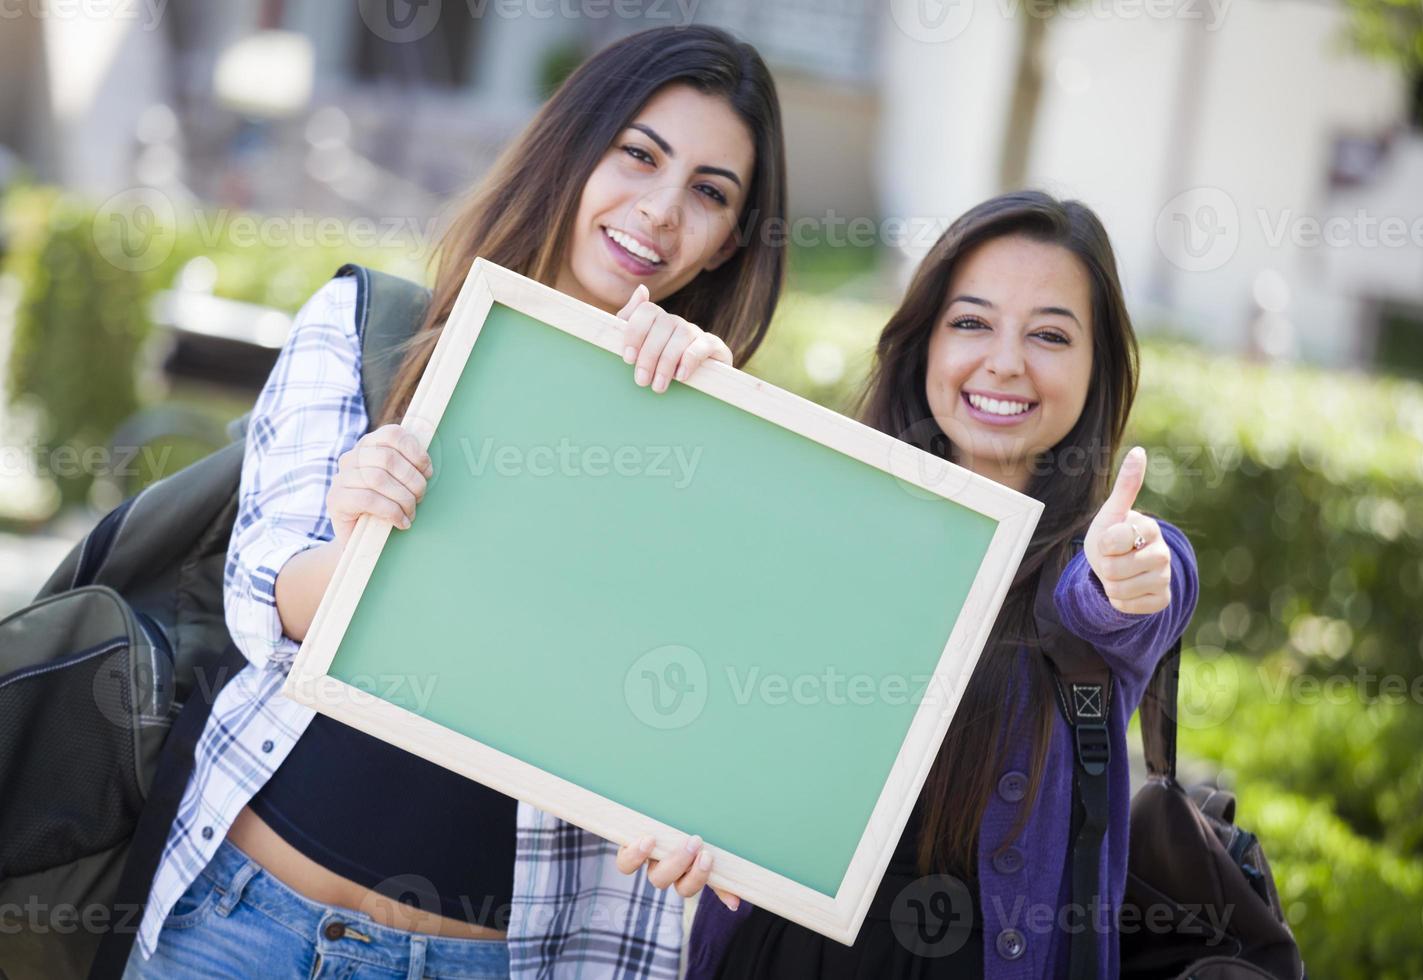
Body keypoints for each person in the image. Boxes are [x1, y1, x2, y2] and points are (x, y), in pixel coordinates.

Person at [123, 24, 786, 979]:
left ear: (730, 243)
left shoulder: (720, 449)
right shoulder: (368, 328)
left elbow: (707, 721)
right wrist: (361, 538)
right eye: (638, 154)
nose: (660, 209)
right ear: (573, 146)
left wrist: (713, 438)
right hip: (240, 923)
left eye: (710, 193)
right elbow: (264, 599)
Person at [685, 191, 1199, 979]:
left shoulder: (1094, 559)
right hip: (781, 952)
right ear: (924, 339)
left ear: (1098, 367)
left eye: (1050, 335)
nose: (1003, 362)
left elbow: (1126, 597)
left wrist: (1128, 568)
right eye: (971, 322)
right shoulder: (834, 514)